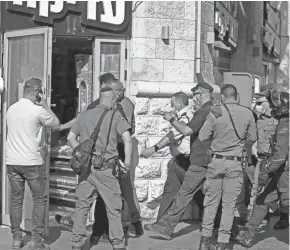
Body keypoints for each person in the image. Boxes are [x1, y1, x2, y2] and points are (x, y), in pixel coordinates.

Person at [55, 73, 143, 242]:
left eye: (121, 90)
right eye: (118, 90)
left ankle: (92, 234)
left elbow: (73, 132)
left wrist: (79, 151)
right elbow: (128, 135)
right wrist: (126, 161)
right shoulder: (123, 107)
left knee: (87, 203)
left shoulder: (103, 108)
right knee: (117, 199)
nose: (120, 93)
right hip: (113, 159)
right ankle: (124, 231)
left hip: (94, 163)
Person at [146, 81, 214, 240]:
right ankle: (230, 229)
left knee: (184, 195)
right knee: (206, 195)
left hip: (199, 161)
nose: (194, 99)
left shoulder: (203, 111)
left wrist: (171, 119)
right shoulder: (211, 110)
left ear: (202, 94)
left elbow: (187, 130)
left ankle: (165, 226)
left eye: (196, 95)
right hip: (203, 160)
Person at [69, 82, 132, 250]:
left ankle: (76, 244)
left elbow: (70, 137)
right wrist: (127, 163)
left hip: (86, 170)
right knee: (114, 210)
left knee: (82, 207)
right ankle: (118, 245)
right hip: (106, 171)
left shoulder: (85, 115)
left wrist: (80, 153)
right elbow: (127, 139)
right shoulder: (115, 115)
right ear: (112, 100)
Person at [197, 84, 257, 250]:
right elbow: (252, 138)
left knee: (211, 203)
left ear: (222, 97)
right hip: (235, 163)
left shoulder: (216, 112)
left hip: (216, 162)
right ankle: (223, 243)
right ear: (236, 97)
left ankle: (205, 242)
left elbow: (202, 136)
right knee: (229, 206)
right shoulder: (247, 113)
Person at [6, 78, 60, 250]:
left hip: (12, 161)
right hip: (31, 162)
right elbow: (57, 124)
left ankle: (16, 238)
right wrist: (45, 103)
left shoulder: (11, 109)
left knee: (16, 200)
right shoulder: (37, 111)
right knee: (39, 199)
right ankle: (36, 241)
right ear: (37, 91)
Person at [237, 88, 289, 247]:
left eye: (274, 106)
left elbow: (280, 156)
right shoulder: (284, 123)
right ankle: (248, 234)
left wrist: (265, 171)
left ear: (283, 107)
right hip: (281, 172)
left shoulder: (285, 125)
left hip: (285, 173)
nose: (272, 109)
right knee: (263, 200)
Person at [141, 92, 194, 222]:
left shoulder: (186, 116)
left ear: (180, 103)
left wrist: (155, 148)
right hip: (178, 161)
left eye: (173, 103)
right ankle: (161, 222)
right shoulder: (180, 116)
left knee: (194, 193)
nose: (171, 106)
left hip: (186, 161)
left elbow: (173, 135)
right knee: (169, 191)